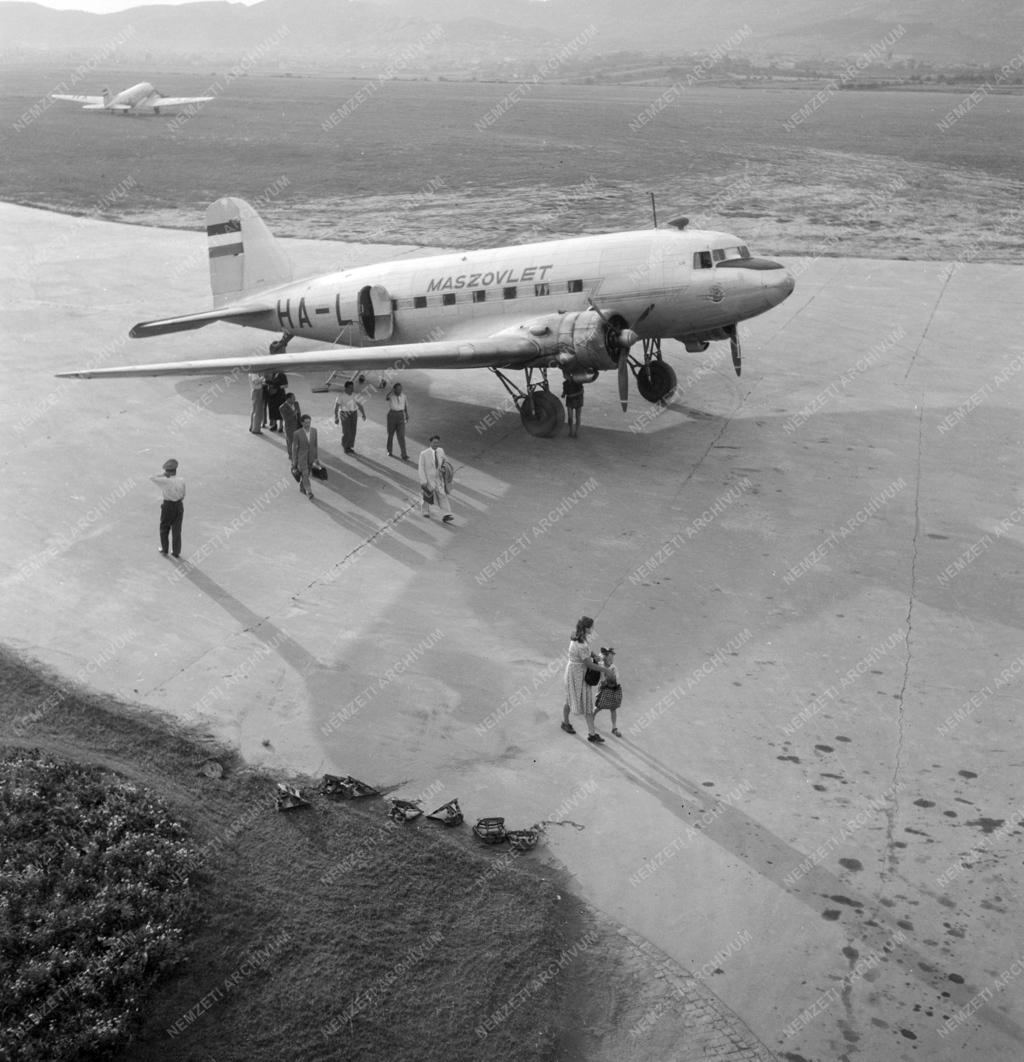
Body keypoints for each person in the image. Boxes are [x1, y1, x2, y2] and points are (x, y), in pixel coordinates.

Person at [561, 616, 610, 743]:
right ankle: (591, 734)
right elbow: (589, 664)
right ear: (587, 628)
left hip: (573, 672)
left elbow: (587, 653)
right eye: (591, 627)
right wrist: (605, 670)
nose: (593, 629)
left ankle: (568, 724)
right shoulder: (581, 644)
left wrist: (593, 655)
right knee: (585, 703)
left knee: (570, 700)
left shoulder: (577, 636)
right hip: (578, 675)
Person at [151, 458, 185, 558]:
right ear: (175, 470)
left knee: (164, 527)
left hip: (168, 506)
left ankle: (165, 549)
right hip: (179, 506)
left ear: (167, 472)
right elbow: (183, 495)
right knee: (177, 530)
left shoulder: (165, 482)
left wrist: (162, 475)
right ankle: (176, 552)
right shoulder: (182, 480)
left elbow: (152, 477)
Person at [418, 434, 453, 523]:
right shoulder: (424, 454)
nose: (436, 444)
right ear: (430, 443)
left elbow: (446, 461)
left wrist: (444, 468)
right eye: (434, 442)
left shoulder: (441, 451)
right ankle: (425, 511)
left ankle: (446, 514)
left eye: (437, 442)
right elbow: (421, 468)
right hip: (428, 479)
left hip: (439, 478)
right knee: (427, 495)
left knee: (442, 495)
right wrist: (423, 481)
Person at [291, 414, 321, 501]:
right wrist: (294, 462)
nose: (308, 424)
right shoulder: (297, 433)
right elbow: (294, 448)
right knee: (305, 473)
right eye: (306, 422)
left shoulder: (314, 431)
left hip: (311, 457)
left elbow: (315, 445)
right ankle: (309, 492)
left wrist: (316, 458)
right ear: (302, 423)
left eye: (309, 422)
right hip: (302, 458)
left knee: (307, 474)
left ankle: (302, 486)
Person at [594, 647, 623, 737]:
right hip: (603, 690)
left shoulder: (613, 667)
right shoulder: (601, 666)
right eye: (609, 659)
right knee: (598, 707)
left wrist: (611, 678)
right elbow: (603, 680)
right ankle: (591, 720)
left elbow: (616, 678)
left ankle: (614, 728)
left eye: (612, 658)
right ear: (604, 658)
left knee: (613, 708)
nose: (611, 660)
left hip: (612, 690)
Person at [334, 380, 366, 454]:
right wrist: (336, 417)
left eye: (352, 387)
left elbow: (360, 405)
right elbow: (336, 407)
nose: (352, 389)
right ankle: (345, 446)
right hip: (344, 414)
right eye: (350, 388)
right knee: (346, 431)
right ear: (346, 388)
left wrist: (363, 414)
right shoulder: (341, 396)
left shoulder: (355, 395)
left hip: (353, 414)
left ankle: (349, 446)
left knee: (353, 431)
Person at [384, 382, 409, 460]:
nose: (399, 391)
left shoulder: (404, 396)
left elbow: (405, 406)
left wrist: (407, 414)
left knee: (401, 435)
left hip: (401, 415)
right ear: (394, 389)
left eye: (400, 389)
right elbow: (386, 397)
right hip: (392, 415)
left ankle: (404, 454)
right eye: (398, 389)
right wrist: (391, 391)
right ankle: (389, 451)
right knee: (390, 434)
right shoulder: (391, 396)